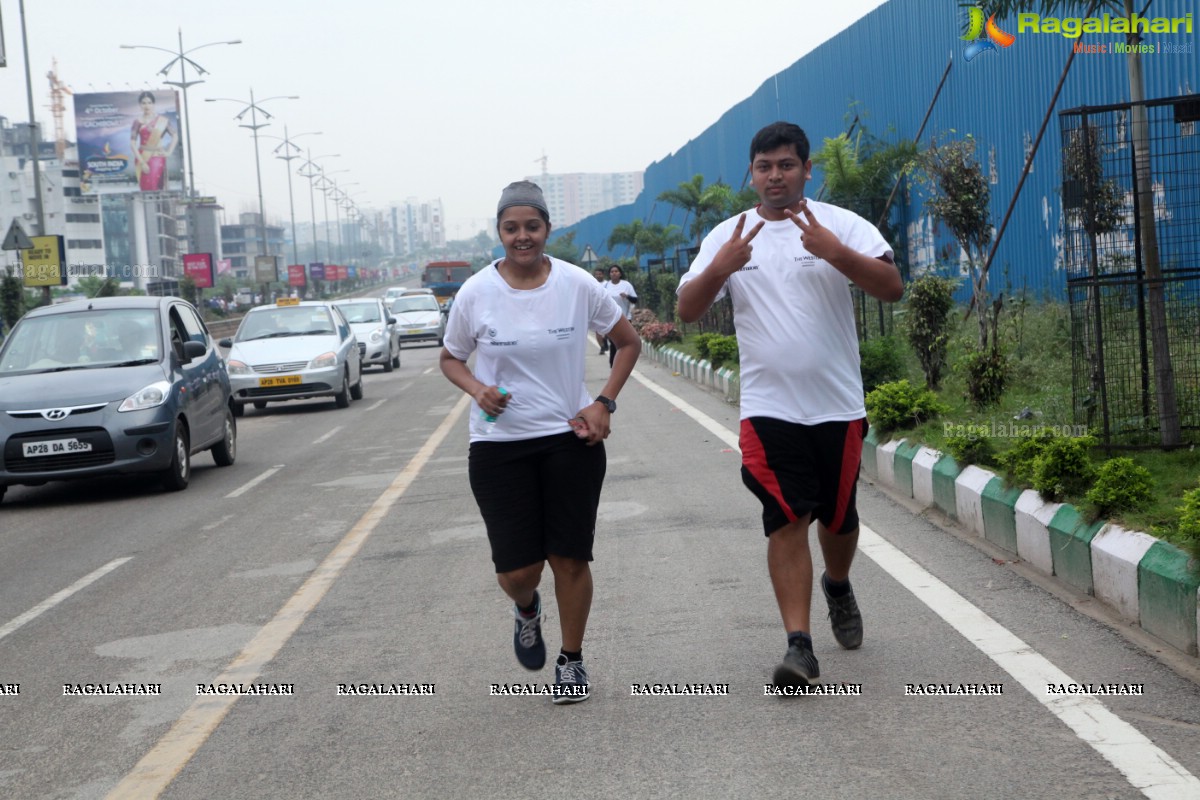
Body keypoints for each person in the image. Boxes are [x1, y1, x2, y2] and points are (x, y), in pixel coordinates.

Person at [676, 121, 903, 690]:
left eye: (786, 165)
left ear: (806, 169)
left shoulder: (842, 224)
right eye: (764, 166)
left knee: (838, 518)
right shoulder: (729, 236)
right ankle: (799, 646)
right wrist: (718, 269)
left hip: (837, 405)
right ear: (751, 174)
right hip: (768, 409)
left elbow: (892, 287)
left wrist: (836, 254)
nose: (775, 175)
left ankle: (838, 584)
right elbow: (686, 310)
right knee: (785, 519)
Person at [440, 181, 641, 704]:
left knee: (570, 557)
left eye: (532, 227)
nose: (522, 236)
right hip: (498, 446)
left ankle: (572, 661)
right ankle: (526, 608)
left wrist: (604, 403)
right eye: (512, 228)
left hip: (568, 440)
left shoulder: (577, 284)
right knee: (518, 570)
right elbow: (450, 357)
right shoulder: (477, 292)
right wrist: (477, 389)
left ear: (548, 230)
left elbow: (628, 342)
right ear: (500, 233)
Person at [130, 91, 177, 192]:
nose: (147, 106)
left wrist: (168, 152)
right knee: (145, 189)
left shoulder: (162, 120)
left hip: (157, 156)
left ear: (154, 104)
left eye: (149, 102)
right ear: (140, 105)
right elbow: (132, 144)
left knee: (154, 187)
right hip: (142, 157)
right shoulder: (137, 122)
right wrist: (142, 163)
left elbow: (175, 135)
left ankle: (158, 207)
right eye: (144, 103)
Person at [603, 265, 637, 368]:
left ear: (620, 273)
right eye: (612, 271)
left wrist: (627, 296)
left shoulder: (626, 285)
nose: (614, 273)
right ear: (609, 274)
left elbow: (635, 299)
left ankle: (625, 365)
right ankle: (613, 365)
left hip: (625, 318)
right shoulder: (606, 286)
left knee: (624, 344)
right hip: (611, 319)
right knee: (614, 343)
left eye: (616, 271)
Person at [592, 268, 608, 355]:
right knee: (597, 330)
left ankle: (605, 339)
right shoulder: (592, 284)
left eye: (600, 274)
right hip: (595, 310)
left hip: (605, 309)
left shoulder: (607, 284)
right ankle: (602, 346)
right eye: (596, 274)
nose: (598, 275)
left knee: (607, 329)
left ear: (603, 274)